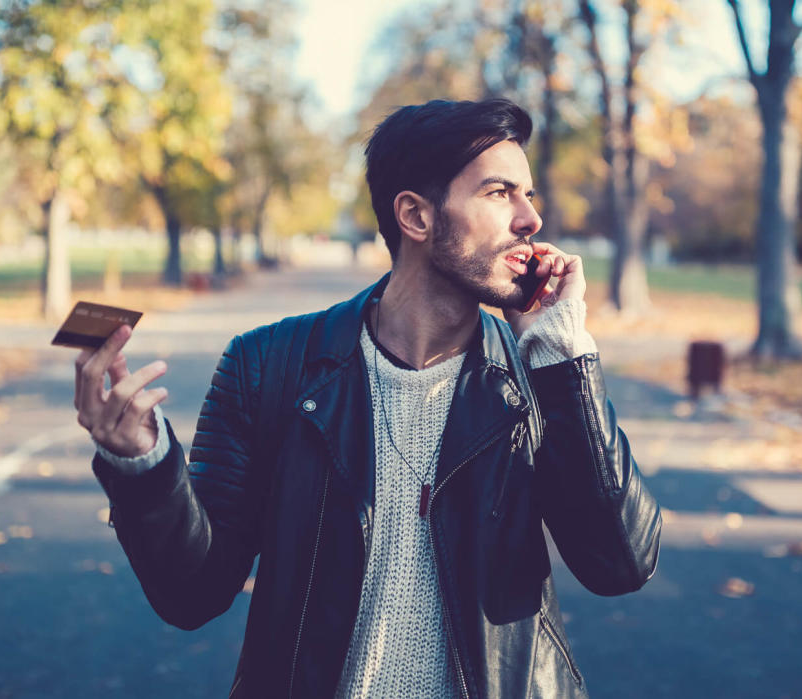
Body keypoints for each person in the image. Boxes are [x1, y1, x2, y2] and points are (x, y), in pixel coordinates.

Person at [73, 98, 661, 698]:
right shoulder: (267, 365)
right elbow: (192, 594)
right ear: (415, 215)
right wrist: (142, 465)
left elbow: (619, 564)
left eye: (527, 195)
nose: (530, 219)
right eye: (499, 192)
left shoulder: (540, 375)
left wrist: (563, 357)